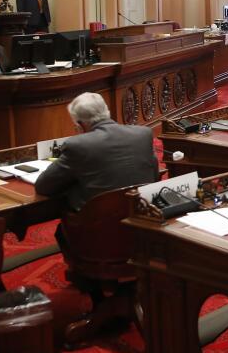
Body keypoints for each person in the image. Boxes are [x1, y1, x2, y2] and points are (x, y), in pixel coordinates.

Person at [34, 92, 160, 241]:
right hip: (141, 220)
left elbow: (43, 186)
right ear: (107, 112)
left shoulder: (78, 145)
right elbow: (155, 174)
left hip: (98, 231)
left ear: (81, 125)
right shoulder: (143, 133)